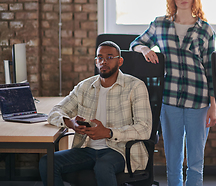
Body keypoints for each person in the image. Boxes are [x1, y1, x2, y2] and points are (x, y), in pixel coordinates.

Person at [130, 0, 216, 186]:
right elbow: (136, 43)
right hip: (170, 101)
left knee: (196, 162)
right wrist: (145, 49)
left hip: (199, 101)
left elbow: (211, 71)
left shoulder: (205, 30)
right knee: (173, 160)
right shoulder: (160, 24)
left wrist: (213, 106)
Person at [39, 41, 152, 186]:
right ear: (96, 62)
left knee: (103, 166)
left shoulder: (135, 86)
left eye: (110, 57)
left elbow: (144, 128)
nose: (104, 61)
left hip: (120, 150)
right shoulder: (85, 86)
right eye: (100, 58)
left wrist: (108, 132)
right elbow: (54, 112)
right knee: (47, 162)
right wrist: (70, 123)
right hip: (86, 149)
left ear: (120, 61)